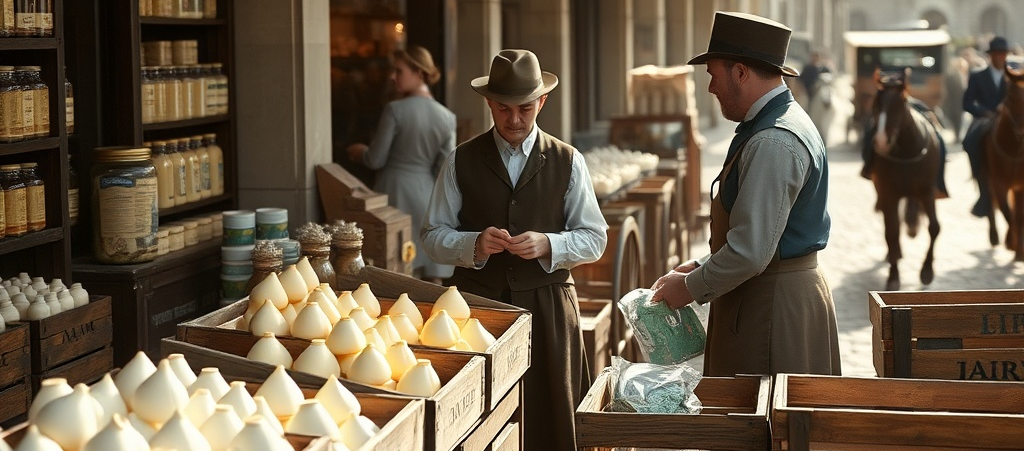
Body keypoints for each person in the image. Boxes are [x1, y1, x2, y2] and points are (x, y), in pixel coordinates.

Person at [421, 49, 608, 451]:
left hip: (549, 308)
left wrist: (549, 244)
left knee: (550, 418)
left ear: (541, 102)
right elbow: (432, 235)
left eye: (525, 108)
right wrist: (472, 244)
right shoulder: (460, 160)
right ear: (489, 103)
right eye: (503, 109)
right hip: (476, 309)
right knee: (479, 419)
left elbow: (595, 238)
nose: (515, 119)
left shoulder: (568, 160)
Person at [650, 11, 842, 377]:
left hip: (773, 311)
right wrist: (703, 266)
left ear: (740, 72)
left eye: (713, 74)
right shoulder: (774, 124)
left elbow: (752, 251)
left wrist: (689, 287)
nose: (710, 87)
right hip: (769, 301)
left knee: (770, 427)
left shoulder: (774, 139)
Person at [347, 45, 456, 282]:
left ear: (418, 72)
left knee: (397, 274)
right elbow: (444, 169)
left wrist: (359, 151)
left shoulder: (395, 109)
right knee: (430, 280)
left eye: (399, 71)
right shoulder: (447, 117)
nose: (393, 77)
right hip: (427, 197)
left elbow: (375, 159)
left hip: (394, 194)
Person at [962, 36, 1009, 217]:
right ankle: (980, 180)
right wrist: (985, 111)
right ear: (991, 56)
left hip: (1009, 119)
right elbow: (967, 103)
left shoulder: (1013, 75)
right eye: (997, 54)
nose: (1000, 57)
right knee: (969, 141)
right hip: (985, 118)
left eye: (1003, 54)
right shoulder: (977, 76)